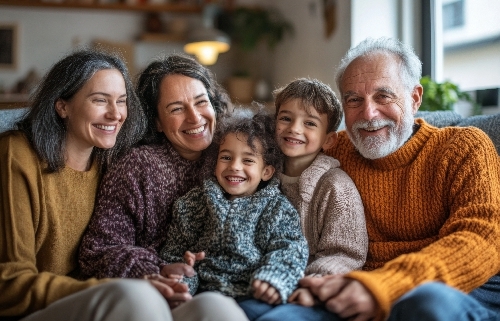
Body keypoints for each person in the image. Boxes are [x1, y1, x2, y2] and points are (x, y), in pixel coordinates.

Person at [299, 37, 500, 321]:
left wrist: (385, 285)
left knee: (426, 303)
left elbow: (483, 237)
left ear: (415, 98)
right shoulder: (335, 148)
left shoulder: (464, 146)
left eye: (384, 96)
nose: (368, 114)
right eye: (354, 100)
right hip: (353, 291)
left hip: (460, 291)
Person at [0, 49, 178, 321]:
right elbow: (9, 283)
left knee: (211, 306)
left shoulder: (116, 163)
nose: (115, 114)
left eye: (121, 101)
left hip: (103, 300)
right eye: (100, 100)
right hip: (35, 311)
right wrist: (107, 289)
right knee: (138, 298)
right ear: (62, 106)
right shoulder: (17, 155)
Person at [78, 54, 249, 320]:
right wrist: (154, 270)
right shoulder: (138, 167)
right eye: (177, 108)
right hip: (161, 300)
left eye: (201, 102)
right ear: (156, 121)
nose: (195, 118)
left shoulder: (239, 154)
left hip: (236, 287)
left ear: (214, 104)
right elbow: (99, 250)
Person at [159, 109, 309, 321]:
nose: (235, 167)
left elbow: (291, 248)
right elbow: (174, 254)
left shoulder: (277, 209)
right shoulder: (191, 204)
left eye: (248, 161)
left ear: (266, 171)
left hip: (252, 294)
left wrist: (273, 279)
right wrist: (183, 281)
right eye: (226, 157)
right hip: (203, 294)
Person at [273, 78, 368, 301]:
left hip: (310, 290)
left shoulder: (336, 186)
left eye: (310, 123)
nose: (294, 129)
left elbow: (345, 254)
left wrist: (311, 285)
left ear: (328, 140)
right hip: (265, 281)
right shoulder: (261, 177)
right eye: (286, 118)